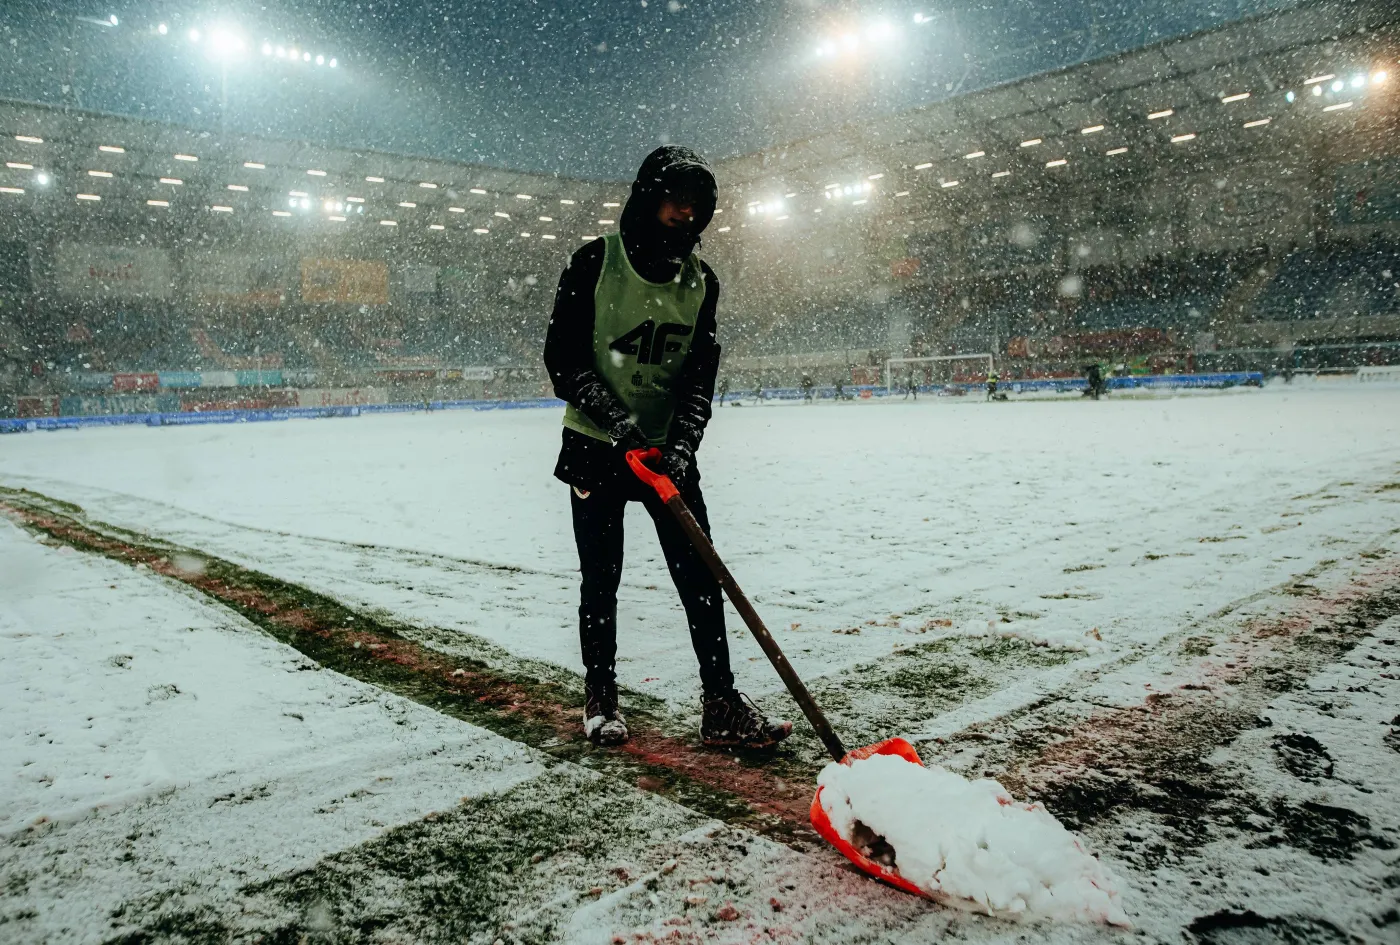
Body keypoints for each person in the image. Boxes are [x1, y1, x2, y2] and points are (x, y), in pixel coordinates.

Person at [543, 146, 792, 751]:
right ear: (646, 199)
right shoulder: (596, 262)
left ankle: (721, 704)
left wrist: (679, 448)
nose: (685, 215)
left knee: (700, 578)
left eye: (698, 207)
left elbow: (699, 378)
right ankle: (600, 698)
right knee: (601, 579)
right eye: (674, 201)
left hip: (665, 455)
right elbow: (563, 361)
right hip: (597, 448)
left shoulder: (701, 283)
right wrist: (623, 430)